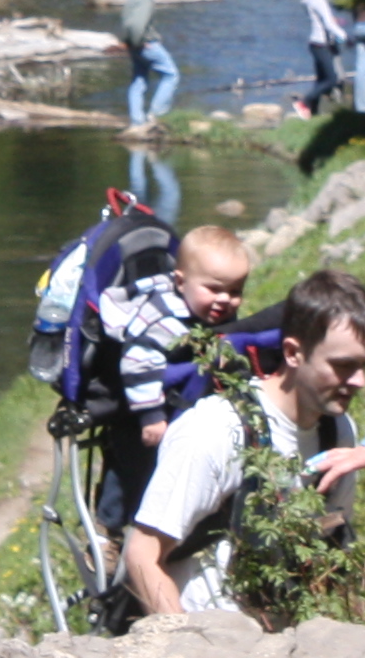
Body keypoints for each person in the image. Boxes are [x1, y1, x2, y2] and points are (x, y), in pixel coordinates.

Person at [118, 270, 365, 617]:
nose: (360, 381)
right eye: (343, 366)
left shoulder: (338, 431)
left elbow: (331, 546)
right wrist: (184, 648)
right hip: (209, 643)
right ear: (292, 353)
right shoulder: (215, 430)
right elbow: (142, 555)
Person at [93, 222, 250, 539]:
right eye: (215, 289)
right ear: (181, 282)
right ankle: (108, 531)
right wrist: (150, 416)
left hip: (182, 403)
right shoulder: (164, 319)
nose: (225, 300)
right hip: (142, 410)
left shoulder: (209, 312)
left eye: (235, 292)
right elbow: (137, 362)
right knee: (133, 468)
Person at [113, 0, 179, 132]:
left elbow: (127, 24)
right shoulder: (145, 0)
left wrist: (129, 43)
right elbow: (136, 25)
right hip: (147, 45)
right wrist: (139, 42)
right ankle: (156, 114)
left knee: (138, 81)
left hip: (134, 47)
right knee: (171, 75)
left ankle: (137, 120)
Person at [301, 0, 352, 111]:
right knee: (331, 80)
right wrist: (345, 37)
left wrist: (336, 23)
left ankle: (312, 111)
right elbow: (328, 23)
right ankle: (304, 102)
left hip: (316, 43)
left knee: (321, 80)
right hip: (321, 44)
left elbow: (323, 20)